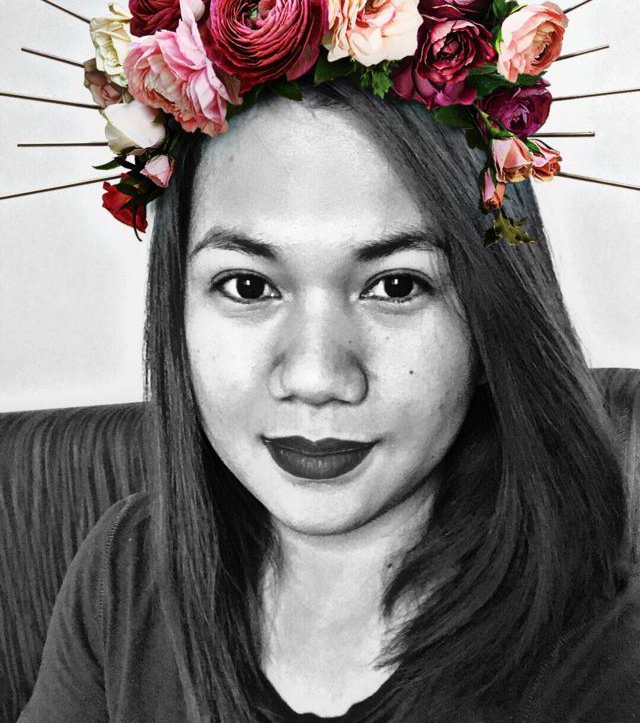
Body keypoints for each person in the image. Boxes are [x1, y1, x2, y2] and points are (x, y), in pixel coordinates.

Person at [16, 79, 640, 723]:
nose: (315, 377)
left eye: (397, 286)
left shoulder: (605, 668)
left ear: (492, 322)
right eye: (247, 285)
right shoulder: (127, 569)